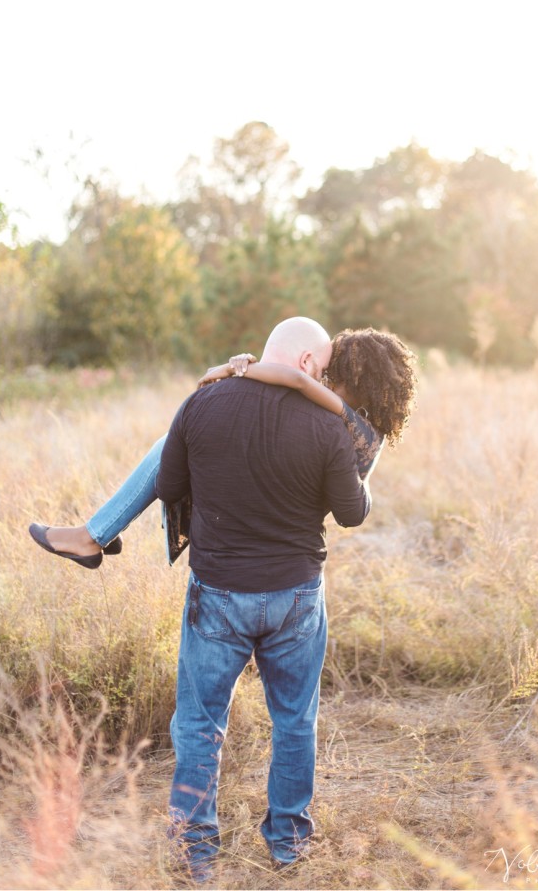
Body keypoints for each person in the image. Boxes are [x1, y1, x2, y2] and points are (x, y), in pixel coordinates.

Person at [157, 316, 370, 878]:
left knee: (200, 723)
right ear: (305, 364)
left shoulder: (200, 403)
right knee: (295, 720)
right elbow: (351, 514)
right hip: (296, 596)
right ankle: (288, 844)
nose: (324, 381)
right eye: (322, 370)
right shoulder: (329, 429)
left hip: (218, 593)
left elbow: (172, 487)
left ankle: (194, 850)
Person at [28, 326, 417, 569]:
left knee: (170, 446)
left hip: (341, 503)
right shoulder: (357, 419)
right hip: (311, 506)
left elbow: (296, 381)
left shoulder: (351, 417)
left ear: (356, 381)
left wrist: (232, 369)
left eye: (334, 375)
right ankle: (94, 535)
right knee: (182, 446)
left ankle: (91, 536)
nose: (326, 380)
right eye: (324, 373)